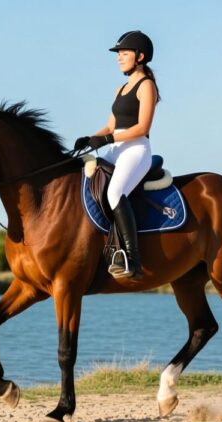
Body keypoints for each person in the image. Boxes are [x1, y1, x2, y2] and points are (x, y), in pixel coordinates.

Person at [74, 30, 161, 279]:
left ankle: (132, 260)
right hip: (117, 147)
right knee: (87, 180)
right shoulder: (120, 89)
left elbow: (142, 128)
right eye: (118, 54)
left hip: (136, 149)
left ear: (140, 56)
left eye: (124, 53)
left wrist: (107, 139)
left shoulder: (147, 86)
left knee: (114, 192)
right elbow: (111, 126)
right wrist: (91, 138)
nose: (119, 58)